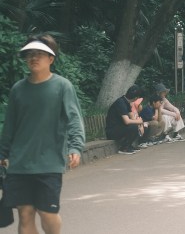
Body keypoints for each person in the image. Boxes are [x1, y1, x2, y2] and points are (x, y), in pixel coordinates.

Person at [0, 35, 85, 234]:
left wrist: (75, 147)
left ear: (51, 59)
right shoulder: (18, 90)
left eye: (39, 54)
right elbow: (10, 126)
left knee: (47, 213)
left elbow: (74, 119)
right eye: (30, 54)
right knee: (25, 213)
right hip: (20, 164)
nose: (34, 58)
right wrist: (2, 153)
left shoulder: (62, 86)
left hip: (49, 163)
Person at [105, 85, 146, 154]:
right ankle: (124, 148)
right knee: (133, 127)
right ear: (136, 98)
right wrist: (138, 122)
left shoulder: (126, 102)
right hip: (112, 131)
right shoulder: (121, 103)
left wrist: (139, 124)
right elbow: (127, 121)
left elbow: (131, 115)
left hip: (119, 128)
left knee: (135, 126)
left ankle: (129, 145)